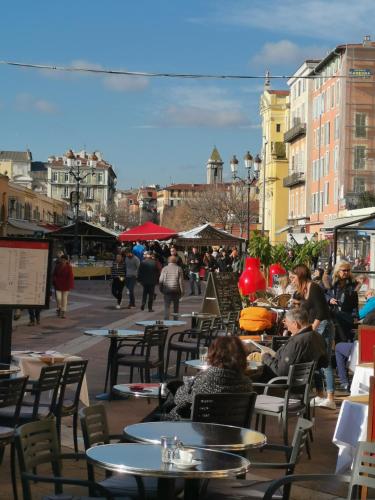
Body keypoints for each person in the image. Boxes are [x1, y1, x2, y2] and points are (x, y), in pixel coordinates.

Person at [165, 336, 253, 420]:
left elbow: (180, 400)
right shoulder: (247, 384)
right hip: (232, 431)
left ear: (214, 354)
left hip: (197, 429)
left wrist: (184, 387)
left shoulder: (205, 379)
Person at [289, 264, 336, 409]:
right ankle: (320, 394)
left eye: (293, 277)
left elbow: (321, 312)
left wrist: (311, 331)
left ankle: (330, 398)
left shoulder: (314, 287)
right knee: (314, 360)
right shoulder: (304, 290)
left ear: (301, 275)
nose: (292, 280)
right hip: (314, 326)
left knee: (324, 360)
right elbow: (307, 311)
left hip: (323, 326)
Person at [258, 308, 328, 380]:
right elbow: (324, 363)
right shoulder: (318, 337)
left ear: (295, 324)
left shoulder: (297, 342)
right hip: (303, 381)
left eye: (288, 325)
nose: (288, 329)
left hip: (282, 383)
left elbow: (281, 372)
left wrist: (265, 357)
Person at [335, 289, 375, 391]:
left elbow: (360, 320)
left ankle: (344, 382)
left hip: (366, 351)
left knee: (338, 347)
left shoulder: (372, 310)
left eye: (366, 297)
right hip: (370, 350)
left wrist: (357, 330)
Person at [327, 260, 359, 342]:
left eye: (348, 270)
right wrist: (329, 299)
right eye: (344, 270)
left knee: (345, 339)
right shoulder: (329, 280)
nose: (346, 272)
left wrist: (355, 316)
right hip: (331, 314)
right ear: (338, 271)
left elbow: (354, 302)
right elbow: (321, 293)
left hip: (346, 315)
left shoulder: (352, 282)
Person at [52, 254, 74, 319]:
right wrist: (55, 280)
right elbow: (54, 274)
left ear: (67, 261)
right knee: (58, 298)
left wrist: (70, 285)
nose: (63, 261)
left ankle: (63, 312)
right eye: (62, 260)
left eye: (64, 260)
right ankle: (59, 308)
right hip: (58, 284)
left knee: (64, 299)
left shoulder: (69, 267)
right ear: (61, 260)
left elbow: (71, 276)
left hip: (66, 285)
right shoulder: (57, 266)